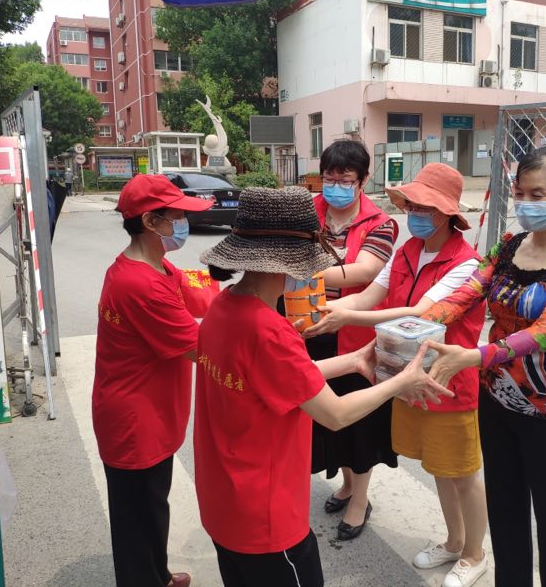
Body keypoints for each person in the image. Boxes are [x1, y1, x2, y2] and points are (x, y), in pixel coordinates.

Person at [194, 186, 452, 587]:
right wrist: (402, 380)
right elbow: (336, 413)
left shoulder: (224, 308)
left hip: (222, 500)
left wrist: (354, 360)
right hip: (265, 516)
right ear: (292, 264)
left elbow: (283, 379)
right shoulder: (270, 331)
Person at [422, 144, 546, 587]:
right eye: (520, 193)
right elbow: (465, 295)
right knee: (505, 511)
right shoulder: (507, 247)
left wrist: (474, 356)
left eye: (537, 195)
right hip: (497, 400)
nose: (525, 204)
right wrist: (414, 326)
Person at [304, 163, 489, 587]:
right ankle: (454, 541)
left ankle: (475, 554)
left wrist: (350, 316)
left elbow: (421, 312)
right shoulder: (408, 251)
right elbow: (369, 295)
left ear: (447, 213)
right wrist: (329, 310)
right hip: (407, 376)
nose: (414, 213)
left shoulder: (466, 264)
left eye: (425, 207)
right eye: (412, 205)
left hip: (447, 381)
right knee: (440, 468)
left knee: (463, 473)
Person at [92, 174, 214, 587]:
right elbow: (201, 348)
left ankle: (157, 574)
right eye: (176, 216)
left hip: (150, 414)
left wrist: (245, 284)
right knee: (138, 522)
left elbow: (197, 291)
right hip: (136, 423)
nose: (183, 224)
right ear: (149, 221)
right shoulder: (139, 284)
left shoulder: (154, 265)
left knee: (151, 510)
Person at [304, 139, 399, 540]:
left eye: (345, 180)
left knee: (359, 423)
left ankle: (360, 499)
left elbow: (365, 271)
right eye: (329, 178)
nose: (336, 186)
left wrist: (300, 269)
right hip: (307, 329)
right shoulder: (307, 210)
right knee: (328, 420)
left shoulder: (381, 222)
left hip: (354, 336)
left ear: (363, 180)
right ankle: (345, 485)